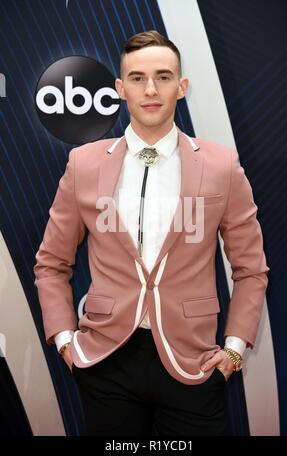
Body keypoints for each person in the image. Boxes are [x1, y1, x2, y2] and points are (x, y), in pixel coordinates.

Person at [33, 30, 269, 436]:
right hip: (105, 360)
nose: (151, 89)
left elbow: (251, 269)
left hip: (192, 362)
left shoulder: (220, 165)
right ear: (120, 89)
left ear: (182, 87)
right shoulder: (83, 164)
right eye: (138, 78)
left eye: (163, 76)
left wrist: (232, 352)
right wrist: (66, 341)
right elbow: (51, 264)